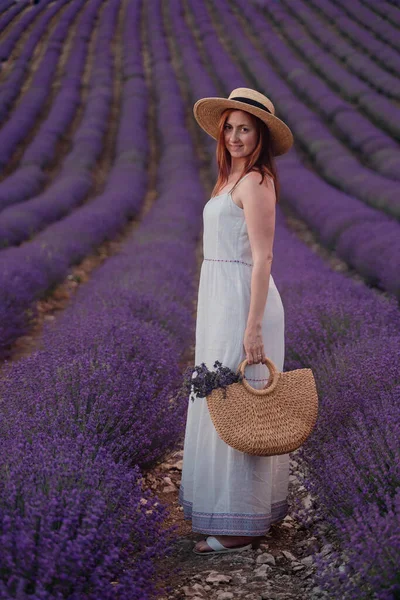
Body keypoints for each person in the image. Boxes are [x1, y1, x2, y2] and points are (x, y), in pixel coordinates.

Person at [178, 88, 294, 555]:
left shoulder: (257, 182)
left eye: (244, 128)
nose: (234, 136)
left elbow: (263, 258)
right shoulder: (229, 180)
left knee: (241, 403)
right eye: (229, 127)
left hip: (247, 303)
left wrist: (252, 327)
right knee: (220, 400)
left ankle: (242, 524)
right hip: (221, 301)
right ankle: (225, 508)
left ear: (260, 135)